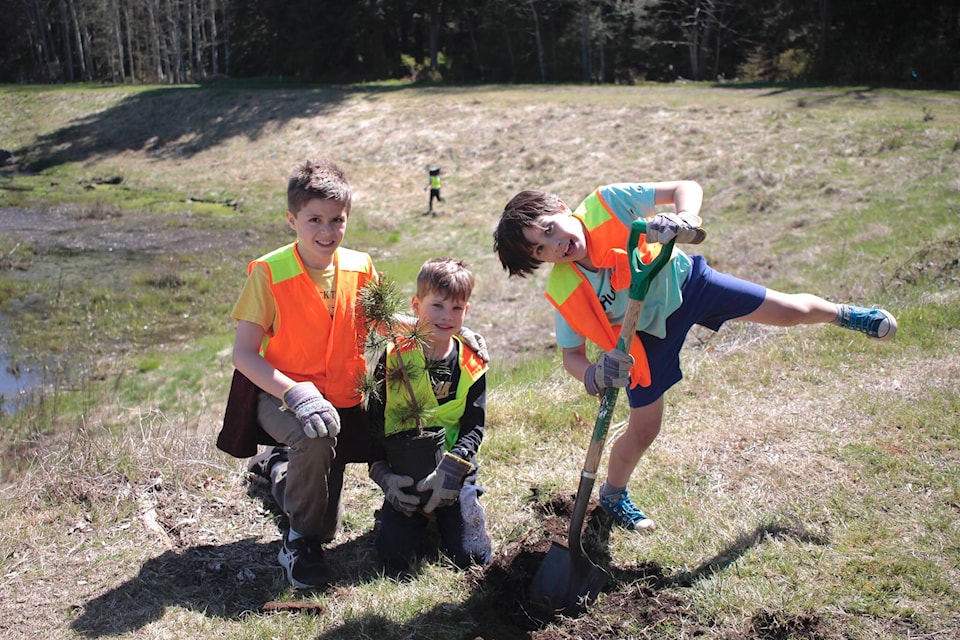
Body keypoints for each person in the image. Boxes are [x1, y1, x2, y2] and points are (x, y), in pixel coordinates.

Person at [492, 181, 897, 533]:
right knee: (645, 428)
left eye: (549, 229)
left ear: (562, 207)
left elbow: (683, 186)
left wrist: (684, 217)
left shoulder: (609, 202)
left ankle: (843, 314)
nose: (556, 245)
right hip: (645, 340)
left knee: (789, 311)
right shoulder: (566, 290)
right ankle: (613, 493)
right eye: (542, 250)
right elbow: (571, 356)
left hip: (689, 285)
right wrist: (594, 374)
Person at [217, 158, 384, 589]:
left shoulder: (361, 267)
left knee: (327, 525)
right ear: (292, 220)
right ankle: (296, 545)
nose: (326, 231)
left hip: (340, 399)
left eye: (336, 220)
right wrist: (294, 393)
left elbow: (385, 325)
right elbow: (244, 354)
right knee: (314, 458)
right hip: (279, 395)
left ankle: (275, 470)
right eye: (314, 220)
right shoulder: (269, 273)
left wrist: (448, 334)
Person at [365, 257, 492, 570]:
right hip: (405, 471)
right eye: (437, 306)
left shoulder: (471, 363)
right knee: (395, 559)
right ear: (416, 305)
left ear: (467, 311)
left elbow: (474, 428)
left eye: (457, 308)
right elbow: (374, 423)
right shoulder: (393, 357)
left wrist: (453, 470)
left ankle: (462, 501)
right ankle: (402, 514)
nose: (447, 317)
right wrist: (383, 475)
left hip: (454, 469)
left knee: (472, 558)